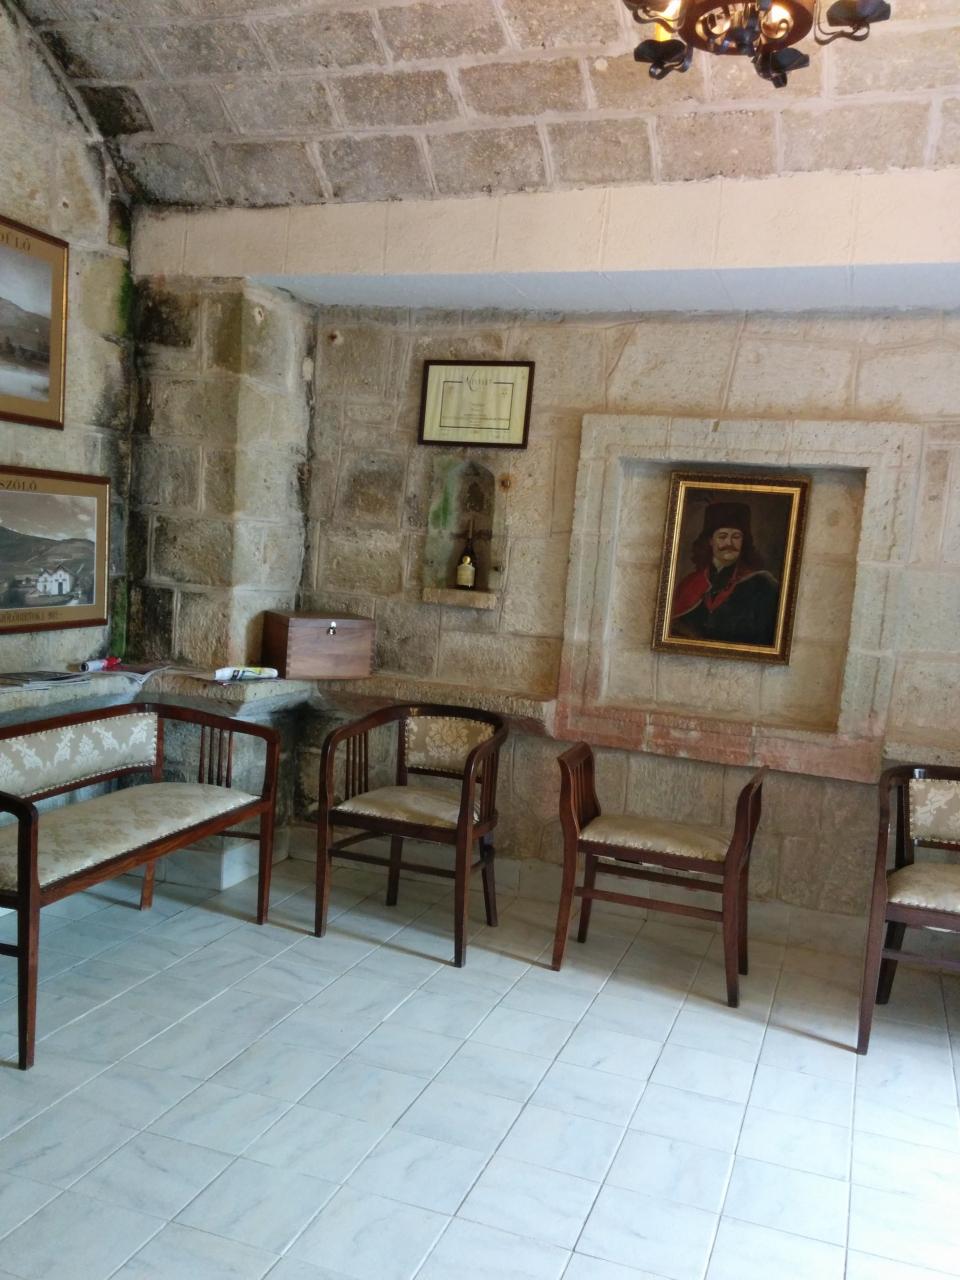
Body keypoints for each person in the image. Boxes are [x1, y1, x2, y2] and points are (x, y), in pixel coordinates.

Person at [669, 501, 780, 647]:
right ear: (710, 541)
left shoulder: (763, 585)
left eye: (736, 537)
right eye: (722, 536)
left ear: (743, 541)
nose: (729, 543)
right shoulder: (689, 584)